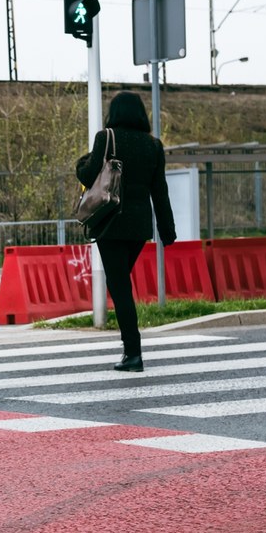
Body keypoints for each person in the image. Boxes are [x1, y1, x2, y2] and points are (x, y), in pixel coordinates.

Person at [76, 91, 176, 372]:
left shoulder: (106, 138)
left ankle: (133, 353)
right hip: (139, 227)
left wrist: (80, 163)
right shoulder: (153, 145)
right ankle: (132, 351)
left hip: (110, 222)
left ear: (115, 112)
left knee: (119, 286)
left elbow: (87, 175)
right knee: (120, 283)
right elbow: (160, 191)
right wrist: (167, 230)